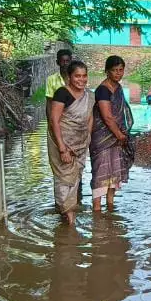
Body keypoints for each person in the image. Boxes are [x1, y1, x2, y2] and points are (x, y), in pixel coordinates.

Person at [48, 61, 93, 224]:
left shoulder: (89, 95)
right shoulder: (62, 93)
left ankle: (68, 216)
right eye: (77, 76)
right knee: (63, 180)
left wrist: (87, 138)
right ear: (69, 77)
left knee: (75, 180)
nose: (81, 80)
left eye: (84, 76)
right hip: (63, 144)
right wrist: (62, 149)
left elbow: (89, 118)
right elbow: (55, 121)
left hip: (81, 145)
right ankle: (68, 216)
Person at [89, 56, 134, 212]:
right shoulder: (103, 90)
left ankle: (110, 206)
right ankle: (96, 210)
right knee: (100, 172)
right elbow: (107, 117)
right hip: (102, 138)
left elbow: (120, 113)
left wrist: (121, 135)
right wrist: (120, 135)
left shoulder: (118, 88)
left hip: (117, 137)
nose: (118, 73)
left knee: (114, 172)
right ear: (107, 71)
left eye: (121, 70)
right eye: (114, 70)